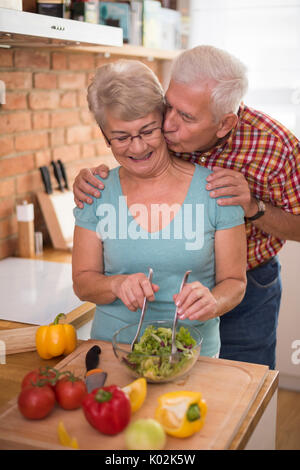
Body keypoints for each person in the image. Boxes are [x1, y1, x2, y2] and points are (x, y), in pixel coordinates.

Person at [73, 46, 300, 370]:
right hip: (128, 334)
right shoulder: (118, 171)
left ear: (223, 125)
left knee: (246, 377)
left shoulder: (273, 148)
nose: (168, 126)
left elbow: (239, 278)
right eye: (169, 108)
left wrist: (253, 206)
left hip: (250, 278)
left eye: (186, 117)